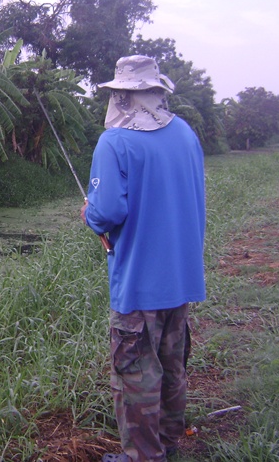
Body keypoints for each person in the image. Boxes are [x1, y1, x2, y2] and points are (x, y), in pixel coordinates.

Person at [80, 55, 206, 462]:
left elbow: (108, 213)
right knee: (172, 369)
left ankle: (142, 457)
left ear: (123, 96)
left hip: (137, 286)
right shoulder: (186, 134)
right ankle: (167, 446)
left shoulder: (114, 143)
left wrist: (89, 214)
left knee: (134, 377)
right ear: (157, 92)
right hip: (182, 280)